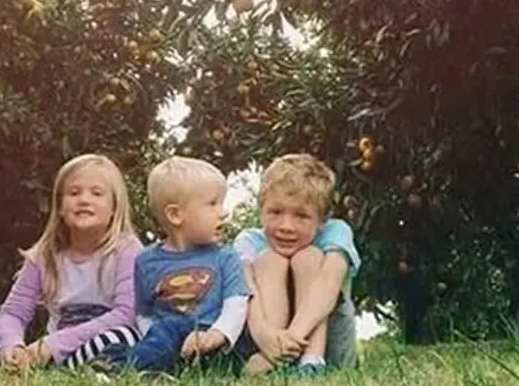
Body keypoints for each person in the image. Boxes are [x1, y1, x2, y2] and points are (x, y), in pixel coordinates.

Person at [0, 154, 144, 372]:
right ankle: (19, 366)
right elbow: (13, 313)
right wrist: (11, 346)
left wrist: (53, 346)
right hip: (48, 353)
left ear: (114, 208)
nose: (84, 199)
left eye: (97, 193)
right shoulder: (44, 256)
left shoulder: (127, 251)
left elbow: (127, 314)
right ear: (60, 207)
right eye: (74, 193)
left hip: (88, 345)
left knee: (123, 337)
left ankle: (63, 367)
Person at [91, 156, 250, 377]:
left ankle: (125, 366)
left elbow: (237, 303)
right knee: (167, 327)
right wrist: (154, 340)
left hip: (214, 342)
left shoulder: (226, 256)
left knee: (174, 329)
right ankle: (139, 365)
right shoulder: (146, 261)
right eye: (213, 204)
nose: (223, 212)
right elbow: (144, 314)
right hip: (167, 338)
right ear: (175, 215)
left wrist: (217, 334)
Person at [233, 153, 362, 377]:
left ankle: (311, 362)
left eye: (301, 216)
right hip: (266, 344)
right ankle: (277, 364)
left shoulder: (336, 231)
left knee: (308, 257)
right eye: (275, 212)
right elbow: (245, 292)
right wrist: (264, 336)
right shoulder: (249, 240)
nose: (286, 226)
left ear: (321, 221)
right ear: (261, 211)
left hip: (330, 352)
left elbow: (328, 285)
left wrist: (288, 343)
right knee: (269, 259)